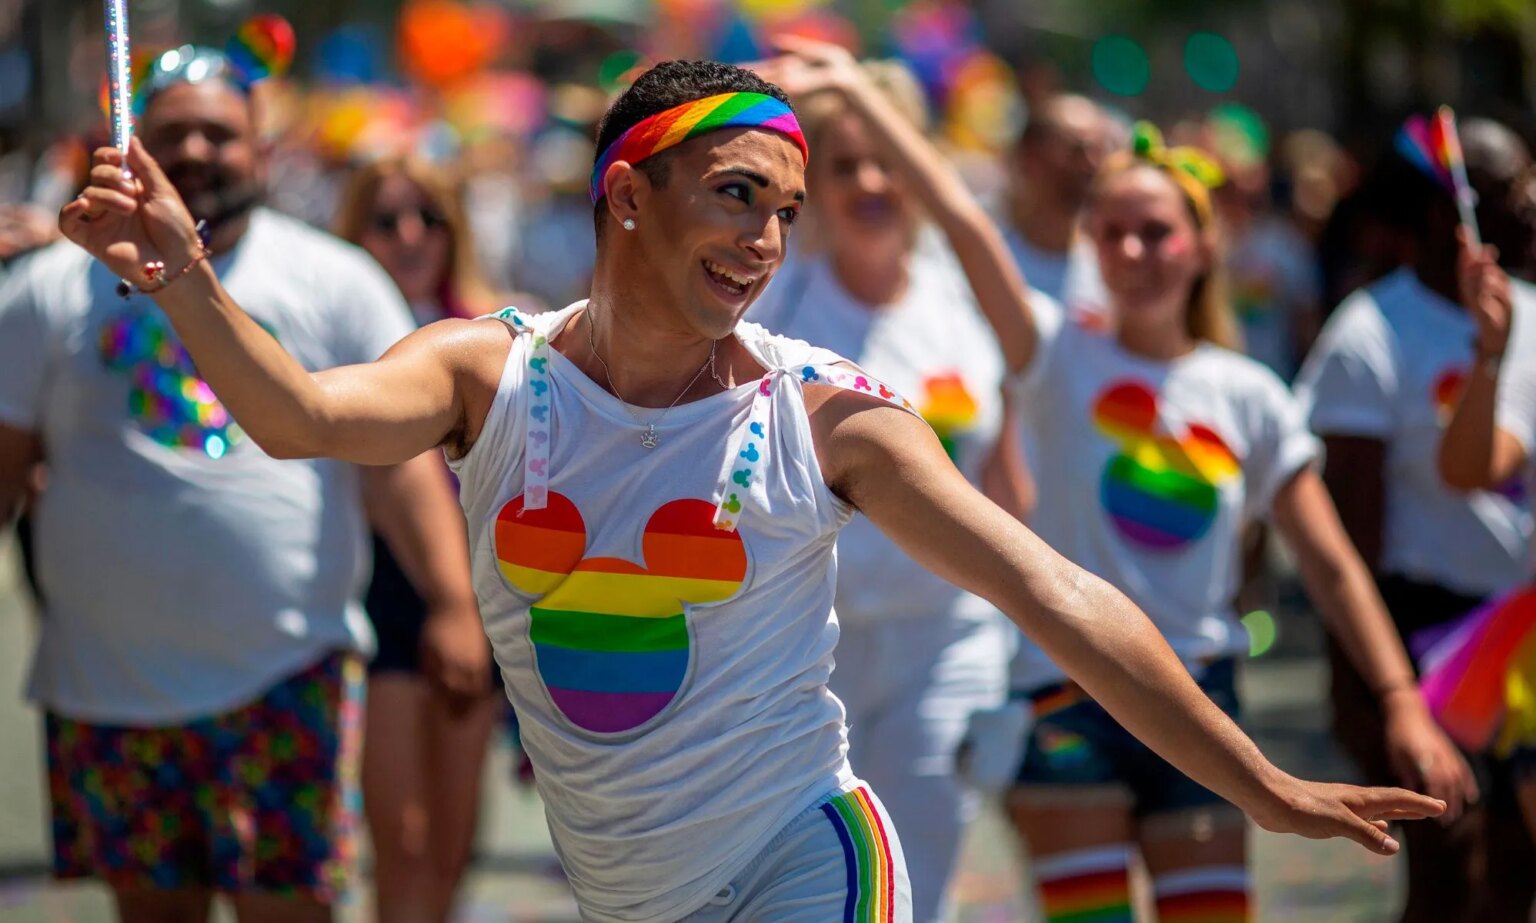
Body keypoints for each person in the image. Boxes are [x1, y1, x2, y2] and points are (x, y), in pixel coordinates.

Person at [60, 49, 1448, 923]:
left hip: (816, 853)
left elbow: (1055, 590)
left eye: (782, 208)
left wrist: (1257, 775)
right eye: (735, 194)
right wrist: (181, 266)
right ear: (626, 198)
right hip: (626, 887)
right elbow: (301, 416)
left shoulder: (826, 416)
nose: (768, 235)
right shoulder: (490, 376)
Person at [876, 99, 1470, 918]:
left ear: (1203, 245)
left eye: (1154, 231)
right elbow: (963, 223)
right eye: (1111, 230)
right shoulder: (1051, 353)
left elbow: (1332, 565)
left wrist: (1403, 699)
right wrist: (869, 102)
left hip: (1204, 700)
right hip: (1064, 701)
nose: (1131, 250)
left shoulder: (1251, 395)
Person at [0, 45, 477, 923]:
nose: (195, 152)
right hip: (108, 683)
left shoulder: (335, 280)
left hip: (287, 672)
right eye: (172, 133)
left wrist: (452, 602)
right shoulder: (49, 287)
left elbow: (399, 469)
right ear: (131, 143)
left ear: (261, 149)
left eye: (219, 134)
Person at [747, 60, 1030, 922]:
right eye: (845, 165)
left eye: (891, 164)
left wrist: (1024, 650)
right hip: (805, 650)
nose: (871, 184)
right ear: (813, 187)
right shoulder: (775, 299)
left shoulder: (965, 299)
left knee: (915, 886)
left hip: (945, 643)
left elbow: (1008, 481)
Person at [1297, 118, 1536, 923]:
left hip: (1523, 635)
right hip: (1424, 627)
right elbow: (1344, 530)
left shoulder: (1529, 313)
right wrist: (1370, 686)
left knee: (1515, 870)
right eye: (1509, 191)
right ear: (1450, 214)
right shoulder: (1368, 335)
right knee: (1450, 872)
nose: (1531, 205)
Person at [334, 157, 503, 923]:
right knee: (399, 836)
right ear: (356, 233)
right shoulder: (336, 329)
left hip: (486, 598)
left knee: (452, 840)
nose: (409, 236)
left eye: (428, 217)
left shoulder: (498, 330)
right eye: (388, 219)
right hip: (380, 594)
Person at [1003, 94, 1114, 315]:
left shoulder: (1108, 273)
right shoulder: (985, 258)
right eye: (1078, 150)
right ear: (1031, 158)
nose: (1092, 164)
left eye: (1099, 151)